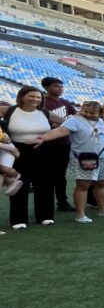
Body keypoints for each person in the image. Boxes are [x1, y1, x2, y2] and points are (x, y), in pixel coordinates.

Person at [32, 100, 104, 223]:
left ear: (100, 112)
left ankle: (103, 210)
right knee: (83, 185)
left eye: (92, 113)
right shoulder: (74, 120)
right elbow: (61, 131)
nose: (88, 114)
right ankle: (80, 214)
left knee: (102, 184)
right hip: (84, 158)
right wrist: (43, 138)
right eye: (85, 111)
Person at [3, 86, 62, 229]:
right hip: (17, 151)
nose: (35, 99)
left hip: (43, 150)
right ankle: (18, 219)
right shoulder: (9, 110)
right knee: (19, 183)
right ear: (22, 96)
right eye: (31, 96)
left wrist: (46, 137)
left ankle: (45, 216)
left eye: (38, 97)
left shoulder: (45, 113)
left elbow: (65, 124)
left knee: (45, 183)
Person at [40, 76, 77, 212]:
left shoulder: (64, 102)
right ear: (46, 88)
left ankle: (62, 202)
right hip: (47, 143)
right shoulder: (42, 102)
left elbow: (76, 116)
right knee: (47, 175)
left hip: (64, 143)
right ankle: (46, 203)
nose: (60, 89)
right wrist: (54, 125)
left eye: (61, 86)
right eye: (56, 86)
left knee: (61, 175)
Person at [0, 118, 23, 197]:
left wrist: (12, 149)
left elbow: (7, 140)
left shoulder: (2, 127)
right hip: (5, 150)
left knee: (4, 168)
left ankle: (13, 177)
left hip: (5, 151)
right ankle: (12, 181)